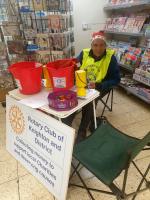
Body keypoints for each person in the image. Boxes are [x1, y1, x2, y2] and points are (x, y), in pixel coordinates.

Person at [63, 31, 120, 143]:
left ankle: (82, 131)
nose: (98, 48)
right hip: (83, 85)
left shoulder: (111, 58)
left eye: (101, 45)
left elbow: (116, 80)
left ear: (105, 46)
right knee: (72, 97)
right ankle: (65, 126)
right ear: (91, 45)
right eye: (95, 45)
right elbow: (75, 67)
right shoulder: (84, 53)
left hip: (100, 86)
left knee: (89, 102)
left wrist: (100, 85)